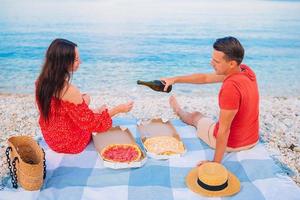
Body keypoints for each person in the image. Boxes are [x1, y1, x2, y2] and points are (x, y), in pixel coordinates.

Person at [161, 36, 259, 165]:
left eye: (216, 61)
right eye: (212, 59)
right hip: (252, 139)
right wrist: (175, 79)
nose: (211, 63)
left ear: (232, 63)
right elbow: (205, 78)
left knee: (196, 116)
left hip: (233, 144)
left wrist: (216, 163)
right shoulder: (245, 70)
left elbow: (224, 130)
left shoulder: (230, 87)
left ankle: (178, 110)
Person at [35, 38, 133, 154]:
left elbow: (60, 110)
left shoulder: (41, 82)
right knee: (89, 106)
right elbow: (91, 125)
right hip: (70, 143)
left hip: (51, 139)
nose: (80, 62)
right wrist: (118, 110)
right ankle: (96, 111)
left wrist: (86, 104)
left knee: (86, 99)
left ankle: (93, 110)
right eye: (76, 59)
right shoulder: (69, 90)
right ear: (63, 62)